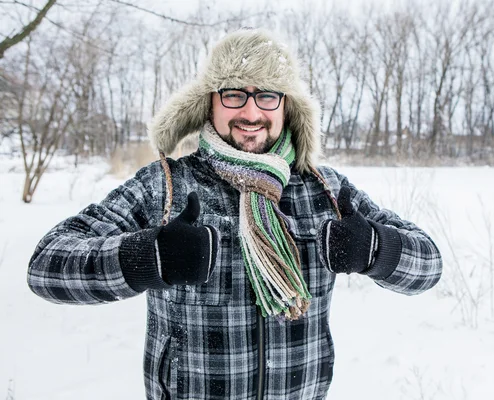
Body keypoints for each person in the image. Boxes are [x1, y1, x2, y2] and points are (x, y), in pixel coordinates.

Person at [27, 28, 443, 400]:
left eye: (266, 95)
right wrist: (147, 258)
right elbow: (47, 265)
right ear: (209, 104)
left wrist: (376, 248)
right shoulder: (166, 186)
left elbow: (428, 264)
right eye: (233, 94)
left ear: (286, 107)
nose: (250, 113)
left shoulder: (325, 190)